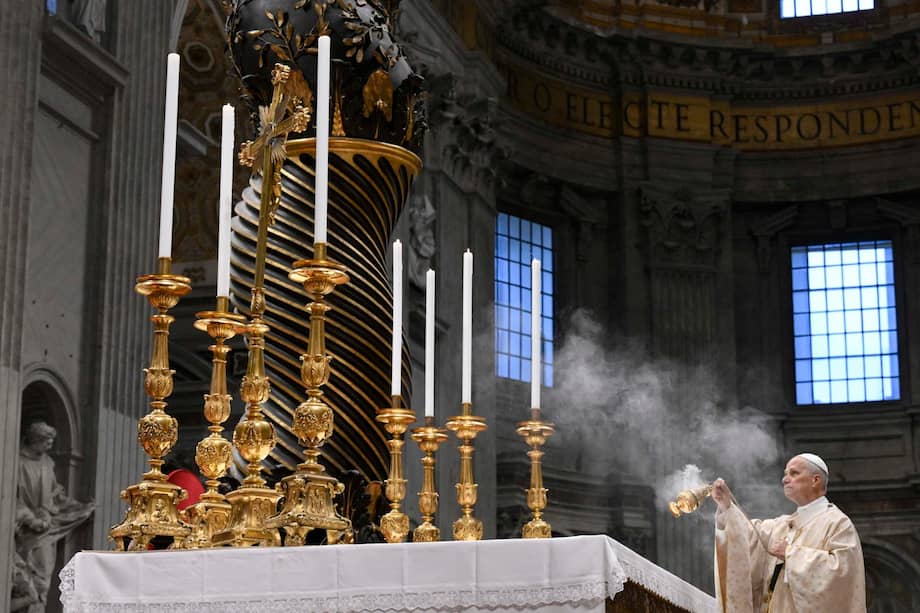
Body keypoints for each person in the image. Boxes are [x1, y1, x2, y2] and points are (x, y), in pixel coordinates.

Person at [712, 453, 866, 613]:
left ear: (815, 480)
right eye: (785, 474)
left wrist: (791, 554)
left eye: (794, 473)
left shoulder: (837, 524)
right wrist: (727, 507)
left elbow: (842, 573)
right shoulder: (781, 525)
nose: (785, 479)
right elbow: (747, 535)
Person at [15, 421, 94, 613]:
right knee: (24, 578)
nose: (50, 445)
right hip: (21, 529)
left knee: (43, 578)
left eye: (52, 441)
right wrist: (30, 519)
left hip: (45, 529)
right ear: (36, 440)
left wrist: (78, 506)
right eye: (47, 441)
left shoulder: (47, 463)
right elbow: (10, 497)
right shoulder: (16, 462)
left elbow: (55, 495)